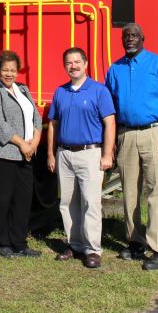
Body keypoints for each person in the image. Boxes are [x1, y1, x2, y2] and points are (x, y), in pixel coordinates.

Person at [105, 22, 158, 271]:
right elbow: (108, 109)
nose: (130, 39)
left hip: (155, 134)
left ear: (143, 38)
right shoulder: (114, 69)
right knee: (129, 191)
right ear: (122, 40)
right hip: (126, 135)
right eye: (126, 36)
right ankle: (135, 241)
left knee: (157, 191)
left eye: (134, 35)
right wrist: (111, 140)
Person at [46, 47, 116, 269]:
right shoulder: (60, 92)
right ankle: (74, 244)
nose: (73, 66)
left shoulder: (99, 91)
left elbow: (110, 123)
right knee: (67, 202)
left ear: (86, 64)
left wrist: (107, 154)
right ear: (64, 66)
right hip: (64, 153)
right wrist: (51, 153)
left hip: (90, 153)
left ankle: (93, 249)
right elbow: (52, 125)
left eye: (77, 62)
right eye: (69, 62)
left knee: (90, 202)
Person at [0, 50, 43, 258]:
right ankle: (3, 242)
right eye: (5, 70)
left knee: (23, 200)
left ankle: (19, 242)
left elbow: (36, 117)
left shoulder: (23, 90)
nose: (9, 74)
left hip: (26, 154)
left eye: (12, 70)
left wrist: (34, 142)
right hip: (2, 154)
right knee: (2, 199)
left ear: (18, 71)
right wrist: (21, 144)